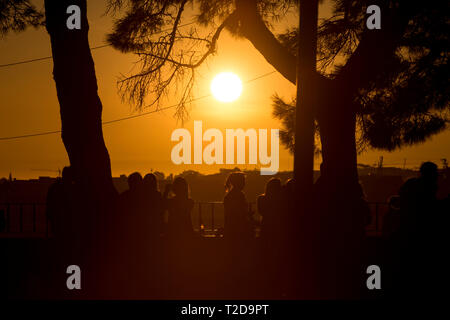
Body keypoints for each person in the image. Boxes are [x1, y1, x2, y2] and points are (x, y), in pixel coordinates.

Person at [223, 172, 252, 241]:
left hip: (231, 228)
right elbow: (238, 213)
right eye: (243, 181)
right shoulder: (239, 195)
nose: (244, 183)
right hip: (238, 229)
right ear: (239, 182)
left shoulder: (229, 195)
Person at [258, 178, 283, 245]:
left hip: (265, 225)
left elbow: (261, 211)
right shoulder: (280, 200)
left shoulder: (261, 198)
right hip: (276, 226)